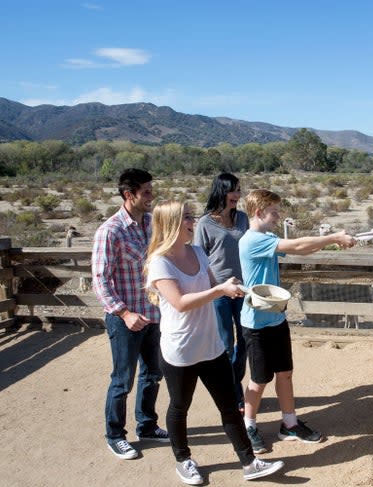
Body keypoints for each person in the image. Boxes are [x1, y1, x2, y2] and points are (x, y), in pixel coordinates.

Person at [144, 200, 285, 485]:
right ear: (170, 223)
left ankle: (249, 462)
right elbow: (181, 303)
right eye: (186, 217)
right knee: (179, 406)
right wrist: (220, 289)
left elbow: (210, 289)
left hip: (211, 345)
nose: (192, 221)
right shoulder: (160, 262)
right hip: (181, 350)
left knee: (229, 408)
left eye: (191, 216)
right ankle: (183, 460)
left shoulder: (197, 251)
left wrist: (239, 291)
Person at [238, 189, 356, 453]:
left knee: (285, 374)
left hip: (275, 319)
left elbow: (302, 250)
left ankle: (289, 424)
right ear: (259, 213)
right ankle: (248, 425)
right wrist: (334, 236)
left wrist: (330, 243)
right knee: (258, 380)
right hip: (256, 324)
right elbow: (298, 245)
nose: (278, 218)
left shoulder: (266, 237)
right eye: (274, 213)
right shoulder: (251, 241)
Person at [92, 168, 169, 460]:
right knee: (122, 379)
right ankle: (115, 435)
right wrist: (124, 313)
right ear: (129, 195)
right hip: (126, 318)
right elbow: (101, 281)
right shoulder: (110, 231)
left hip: (153, 314)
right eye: (146, 192)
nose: (151, 196)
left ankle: (147, 425)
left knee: (153, 373)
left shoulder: (150, 224)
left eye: (151, 190)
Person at [194, 173, 248, 413]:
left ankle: (235, 384)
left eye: (238, 190)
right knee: (226, 342)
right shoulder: (205, 223)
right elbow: (199, 258)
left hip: (243, 288)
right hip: (218, 291)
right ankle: (233, 392)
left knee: (245, 340)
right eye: (232, 190)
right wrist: (212, 288)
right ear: (221, 192)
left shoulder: (243, 219)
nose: (237, 195)